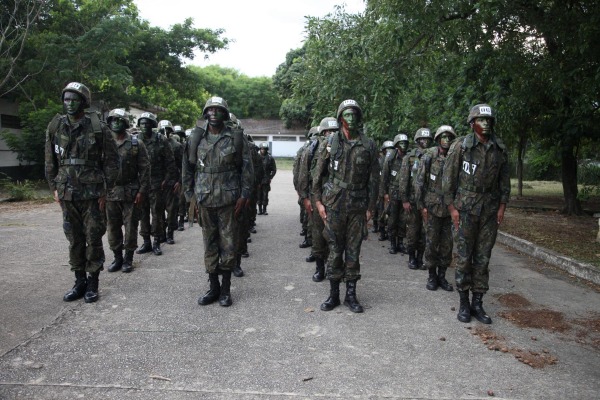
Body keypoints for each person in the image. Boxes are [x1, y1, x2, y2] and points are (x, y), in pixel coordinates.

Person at [44, 82, 120, 303]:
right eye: (66, 99)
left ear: (84, 102)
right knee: (74, 238)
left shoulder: (98, 127)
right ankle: (79, 281)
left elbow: (113, 162)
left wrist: (106, 189)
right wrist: (54, 189)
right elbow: (50, 162)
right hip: (67, 192)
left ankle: (93, 283)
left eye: (74, 99)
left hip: (93, 193)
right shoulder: (55, 126)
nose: (69, 103)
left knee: (93, 237)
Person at [442, 104, 510, 324]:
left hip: (489, 210)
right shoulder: (460, 147)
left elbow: (504, 182)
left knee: (483, 257)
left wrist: (501, 206)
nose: (486, 123)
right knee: (464, 257)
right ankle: (463, 302)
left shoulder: (499, 148)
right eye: (481, 120)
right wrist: (452, 209)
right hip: (465, 210)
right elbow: (448, 180)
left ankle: (478, 303)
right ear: (472, 124)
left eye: (489, 120)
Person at [182, 97, 253, 307]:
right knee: (209, 244)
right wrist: (190, 198)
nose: (214, 112)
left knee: (228, 245)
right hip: (204, 199)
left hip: (229, 201)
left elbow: (247, 170)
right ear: (205, 113)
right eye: (210, 109)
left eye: (218, 109)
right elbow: (187, 170)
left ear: (224, 113)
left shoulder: (235, 138)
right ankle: (213, 286)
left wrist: (245, 195)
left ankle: (225, 289)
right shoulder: (196, 138)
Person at [312, 99, 380, 313]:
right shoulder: (330, 143)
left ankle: (351, 294)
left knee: (353, 250)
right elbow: (318, 176)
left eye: (354, 115)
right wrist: (318, 203)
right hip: (334, 204)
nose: (351, 119)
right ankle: (333, 294)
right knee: (334, 248)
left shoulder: (368, 145)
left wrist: (371, 207)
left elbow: (374, 179)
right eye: (347, 115)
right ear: (341, 118)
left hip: (358, 205)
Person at [105, 108, 150, 273]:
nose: (116, 123)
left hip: (131, 191)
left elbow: (145, 169)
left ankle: (128, 259)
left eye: (119, 120)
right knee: (113, 228)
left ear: (125, 123)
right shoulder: (105, 144)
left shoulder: (136, 144)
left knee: (131, 227)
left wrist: (142, 191)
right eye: (113, 120)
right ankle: (117, 258)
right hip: (110, 192)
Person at [414, 125, 456, 291]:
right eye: (443, 137)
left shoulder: (455, 157)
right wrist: (421, 206)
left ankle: (442, 276)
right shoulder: (429, 156)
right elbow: (420, 182)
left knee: (447, 245)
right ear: (438, 139)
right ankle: (431, 275)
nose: (446, 140)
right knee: (431, 243)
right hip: (431, 207)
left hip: (449, 208)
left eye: (449, 137)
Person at [298, 117, 339, 282]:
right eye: (328, 131)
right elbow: (303, 175)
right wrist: (305, 198)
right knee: (318, 235)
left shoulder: (341, 148)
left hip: (336, 199)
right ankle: (320, 268)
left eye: (335, 131)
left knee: (334, 235)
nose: (332, 134)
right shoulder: (312, 149)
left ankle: (333, 268)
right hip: (317, 198)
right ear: (322, 133)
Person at [136, 112, 178, 256]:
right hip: (141, 184)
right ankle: (146, 241)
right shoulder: (136, 140)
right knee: (142, 214)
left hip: (157, 182)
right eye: (142, 123)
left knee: (157, 213)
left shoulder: (161, 140)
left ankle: (156, 242)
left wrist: (166, 180)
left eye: (147, 123)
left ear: (153, 125)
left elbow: (170, 162)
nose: (144, 126)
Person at [398, 127, 433, 269]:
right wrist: (405, 200)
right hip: (412, 201)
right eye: (422, 139)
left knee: (425, 232)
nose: (425, 142)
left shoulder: (433, 156)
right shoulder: (409, 158)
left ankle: (420, 257)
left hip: (428, 201)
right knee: (413, 230)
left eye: (427, 139)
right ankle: (412, 257)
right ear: (417, 141)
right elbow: (403, 180)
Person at [381, 133, 409, 255]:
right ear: (397, 145)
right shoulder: (390, 158)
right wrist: (385, 193)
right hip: (392, 193)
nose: (403, 146)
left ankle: (400, 242)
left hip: (405, 195)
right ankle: (392, 243)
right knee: (392, 219)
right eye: (401, 144)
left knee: (403, 220)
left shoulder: (409, 158)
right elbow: (384, 178)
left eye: (405, 143)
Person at [159, 119, 183, 245]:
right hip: (157, 182)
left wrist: (179, 181)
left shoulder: (177, 146)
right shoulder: (156, 143)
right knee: (158, 211)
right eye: (163, 130)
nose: (165, 132)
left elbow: (182, 166)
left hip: (172, 183)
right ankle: (161, 234)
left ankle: (170, 234)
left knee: (172, 210)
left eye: (168, 130)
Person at [173, 125, 188, 231]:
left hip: (182, 176)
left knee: (182, 199)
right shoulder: (169, 144)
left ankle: (181, 220)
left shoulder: (183, 146)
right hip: (171, 176)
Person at [257, 142, 277, 215]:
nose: (263, 150)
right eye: (262, 149)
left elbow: (274, 169)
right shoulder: (257, 157)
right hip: (258, 180)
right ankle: (259, 209)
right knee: (259, 195)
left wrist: (270, 177)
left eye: (264, 149)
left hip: (266, 179)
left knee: (265, 195)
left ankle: (264, 209)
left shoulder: (270, 158)